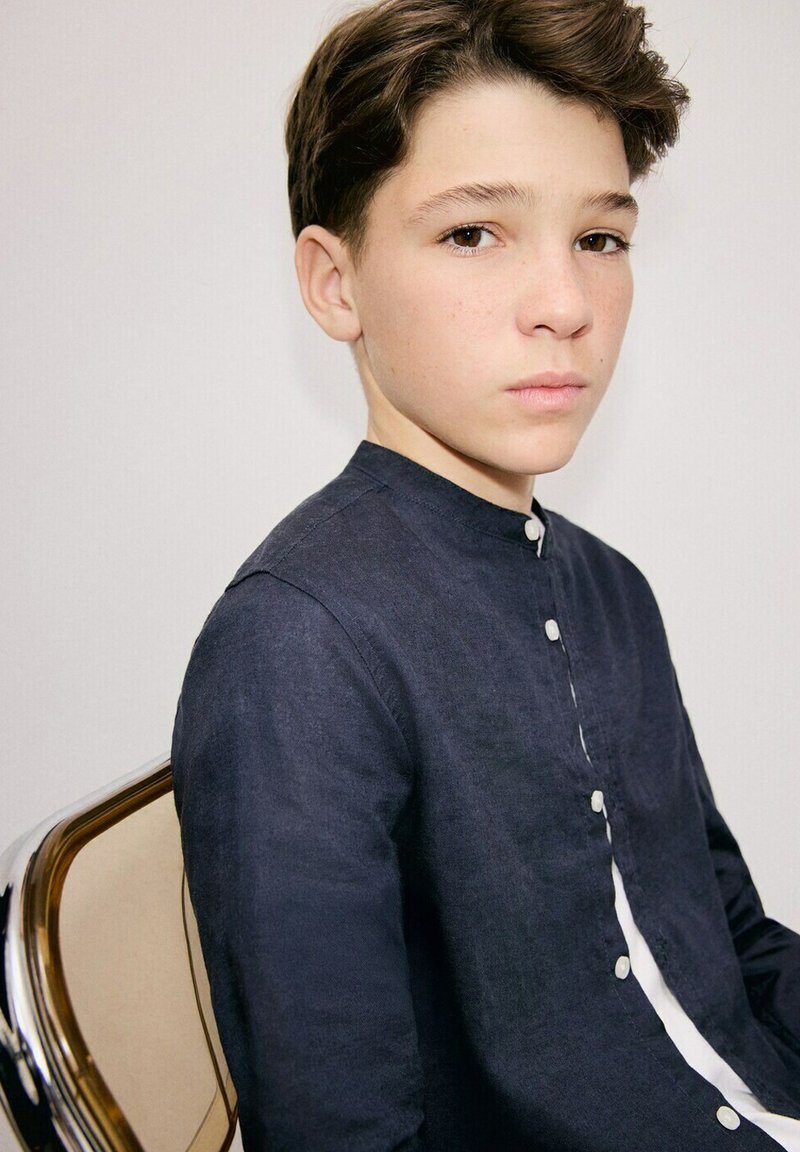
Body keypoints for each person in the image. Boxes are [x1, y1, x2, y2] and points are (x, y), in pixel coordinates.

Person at [171, 1, 800, 1148]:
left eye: (598, 239)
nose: (564, 306)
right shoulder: (299, 641)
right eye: (472, 234)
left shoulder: (610, 589)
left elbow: (730, 947)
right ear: (334, 283)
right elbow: (337, 1130)